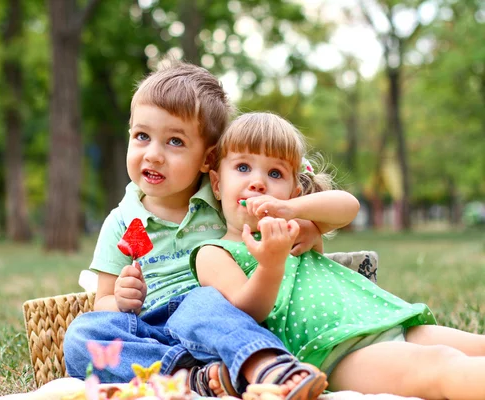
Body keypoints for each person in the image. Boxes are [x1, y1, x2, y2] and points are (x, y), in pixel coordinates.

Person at [63, 62, 329, 399]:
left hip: (218, 320)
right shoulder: (120, 221)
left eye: (174, 141)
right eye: (142, 136)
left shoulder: (223, 198)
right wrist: (120, 300)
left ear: (208, 159)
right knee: (82, 335)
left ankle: (267, 365)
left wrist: (306, 225)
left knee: (199, 301)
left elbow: (289, 210)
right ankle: (195, 378)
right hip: (150, 331)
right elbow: (102, 300)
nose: (154, 155)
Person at [190, 111, 485, 400]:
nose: (258, 182)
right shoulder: (214, 253)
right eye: (243, 167)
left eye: (275, 173)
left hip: (382, 321)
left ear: (293, 192)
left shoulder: (299, 229)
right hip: (335, 351)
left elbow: (348, 206)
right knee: (442, 367)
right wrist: (271, 264)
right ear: (217, 184)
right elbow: (246, 313)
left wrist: (294, 211)